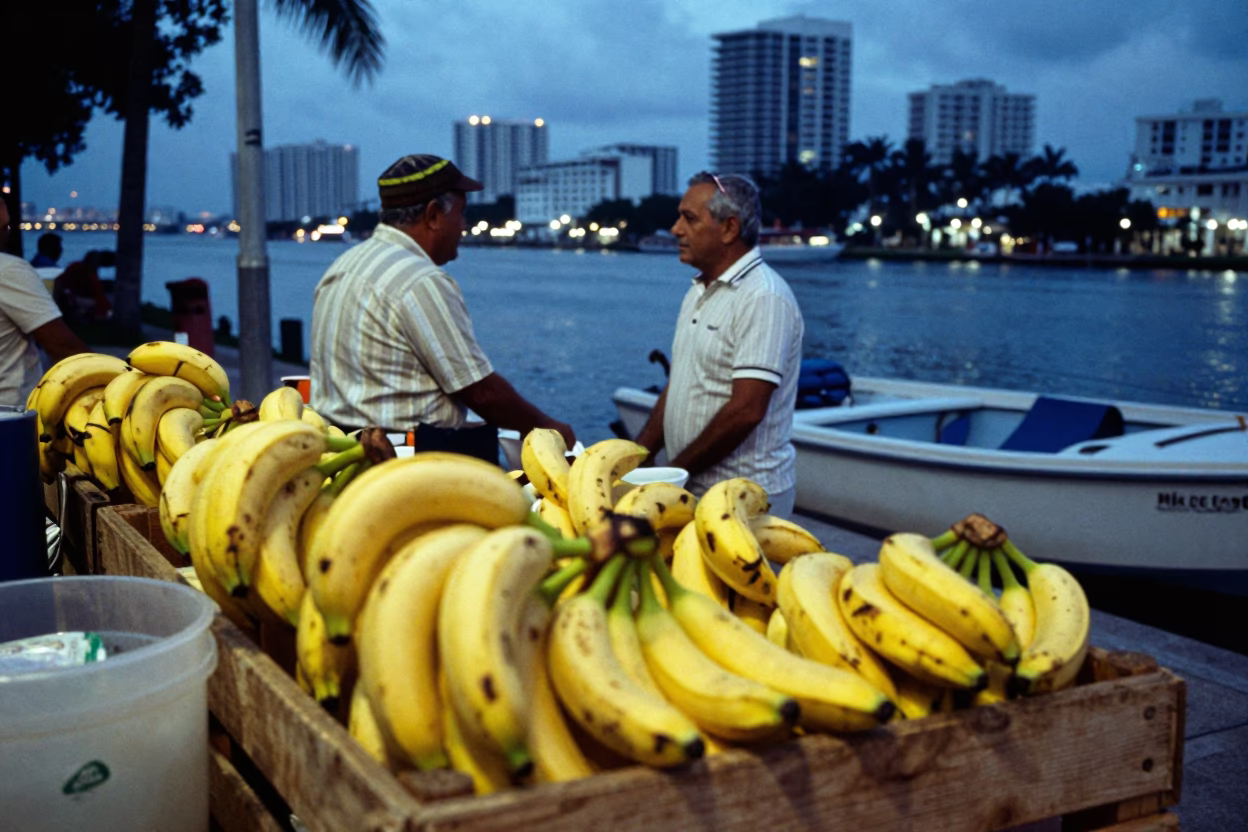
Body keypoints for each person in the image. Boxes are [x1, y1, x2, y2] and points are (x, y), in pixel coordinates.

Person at [309, 154, 575, 460]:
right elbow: (481, 393)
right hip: (406, 460)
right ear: (434, 215)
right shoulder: (419, 279)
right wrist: (547, 426)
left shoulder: (344, 265)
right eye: (461, 214)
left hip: (342, 453)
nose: (463, 226)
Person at [634, 172, 804, 518]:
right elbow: (681, 380)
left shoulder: (763, 297)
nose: (676, 229)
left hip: (744, 495)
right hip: (694, 485)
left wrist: (675, 472)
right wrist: (638, 455)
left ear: (729, 228)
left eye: (689, 219)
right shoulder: (700, 291)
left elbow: (747, 410)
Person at [0, 198, 89, 406]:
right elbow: (62, 345)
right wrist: (120, 378)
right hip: (9, 416)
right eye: (5, 226)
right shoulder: (8, 270)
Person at [53, 249, 114, 322]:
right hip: (72, 300)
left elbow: (59, 281)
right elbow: (99, 296)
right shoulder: (88, 274)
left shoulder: (75, 266)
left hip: (66, 298)